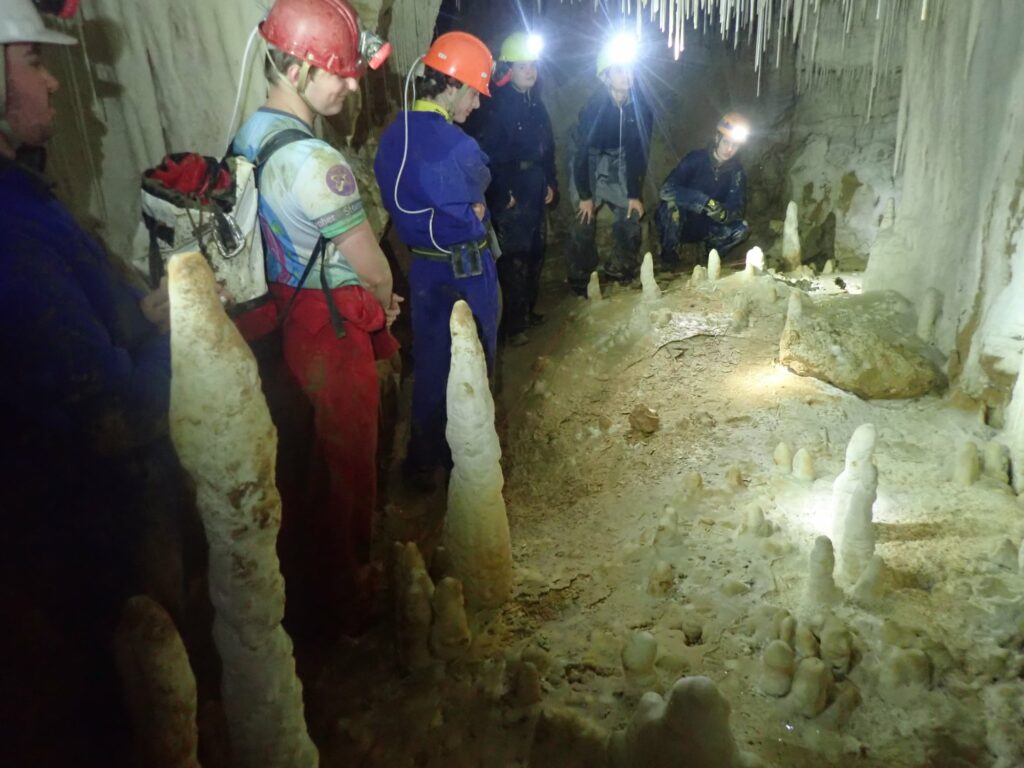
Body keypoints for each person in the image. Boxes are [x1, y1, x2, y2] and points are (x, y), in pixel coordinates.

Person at [0, 0, 182, 761]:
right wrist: (176, 341)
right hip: (78, 544)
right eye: (35, 61)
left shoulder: (28, 196)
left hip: (88, 530)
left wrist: (139, 313)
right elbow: (113, 412)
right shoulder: (9, 229)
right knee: (124, 715)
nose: (54, 83)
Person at [231, 0, 401, 631]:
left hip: (276, 320)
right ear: (298, 69)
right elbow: (374, 269)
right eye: (341, 73)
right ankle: (347, 590)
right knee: (346, 462)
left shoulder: (250, 135)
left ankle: (309, 581)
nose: (351, 86)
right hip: (329, 328)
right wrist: (383, 302)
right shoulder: (317, 164)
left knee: (303, 459)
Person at [374, 31, 497, 488]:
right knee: (475, 356)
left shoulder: (392, 138)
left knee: (430, 361)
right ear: (451, 84)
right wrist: (472, 214)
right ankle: (469, 457)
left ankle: (423, 458)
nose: (476, 104)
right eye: (474, 92)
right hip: (468, 268)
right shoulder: (460, 146)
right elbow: (479, 188)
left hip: (424, 269)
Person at [468, 31, 556, 347]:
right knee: (514, 256)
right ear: (509, 70)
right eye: (522, 66)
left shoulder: (536, 104)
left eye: (532, 65)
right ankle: (513, 325)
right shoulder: (497, 107)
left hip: (534, 183)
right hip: (512, 188)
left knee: (535, 251)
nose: (530, 71)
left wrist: (551, 182)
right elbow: (488, 155)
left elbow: (548, 149)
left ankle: (526, 311)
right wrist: (502, 192)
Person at [566, 33, 653, 295]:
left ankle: (620, 267)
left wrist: (634, 194)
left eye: (629, 69)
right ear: (605, 77)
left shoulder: (641, 107)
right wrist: (585, 196)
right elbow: (582, 154)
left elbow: (638, 152)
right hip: (589, 159)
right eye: (619, 70)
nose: (627, 75)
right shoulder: (595, 107)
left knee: (630, 213)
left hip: (620, 158)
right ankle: (582, 276)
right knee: (583, 217)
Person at [655, 112, 751, 268]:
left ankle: (710, 260)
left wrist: (723, 214)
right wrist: (703, 201)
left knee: (742, 229)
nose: (729, 149)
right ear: (717, 138)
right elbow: (666, 190)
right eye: (726, 142)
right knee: (670, 207)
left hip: (707, 227)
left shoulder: (736, 172)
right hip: (682, 223)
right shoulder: (696, 159)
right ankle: (669, 259)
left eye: (735, 145)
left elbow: (737, 208)